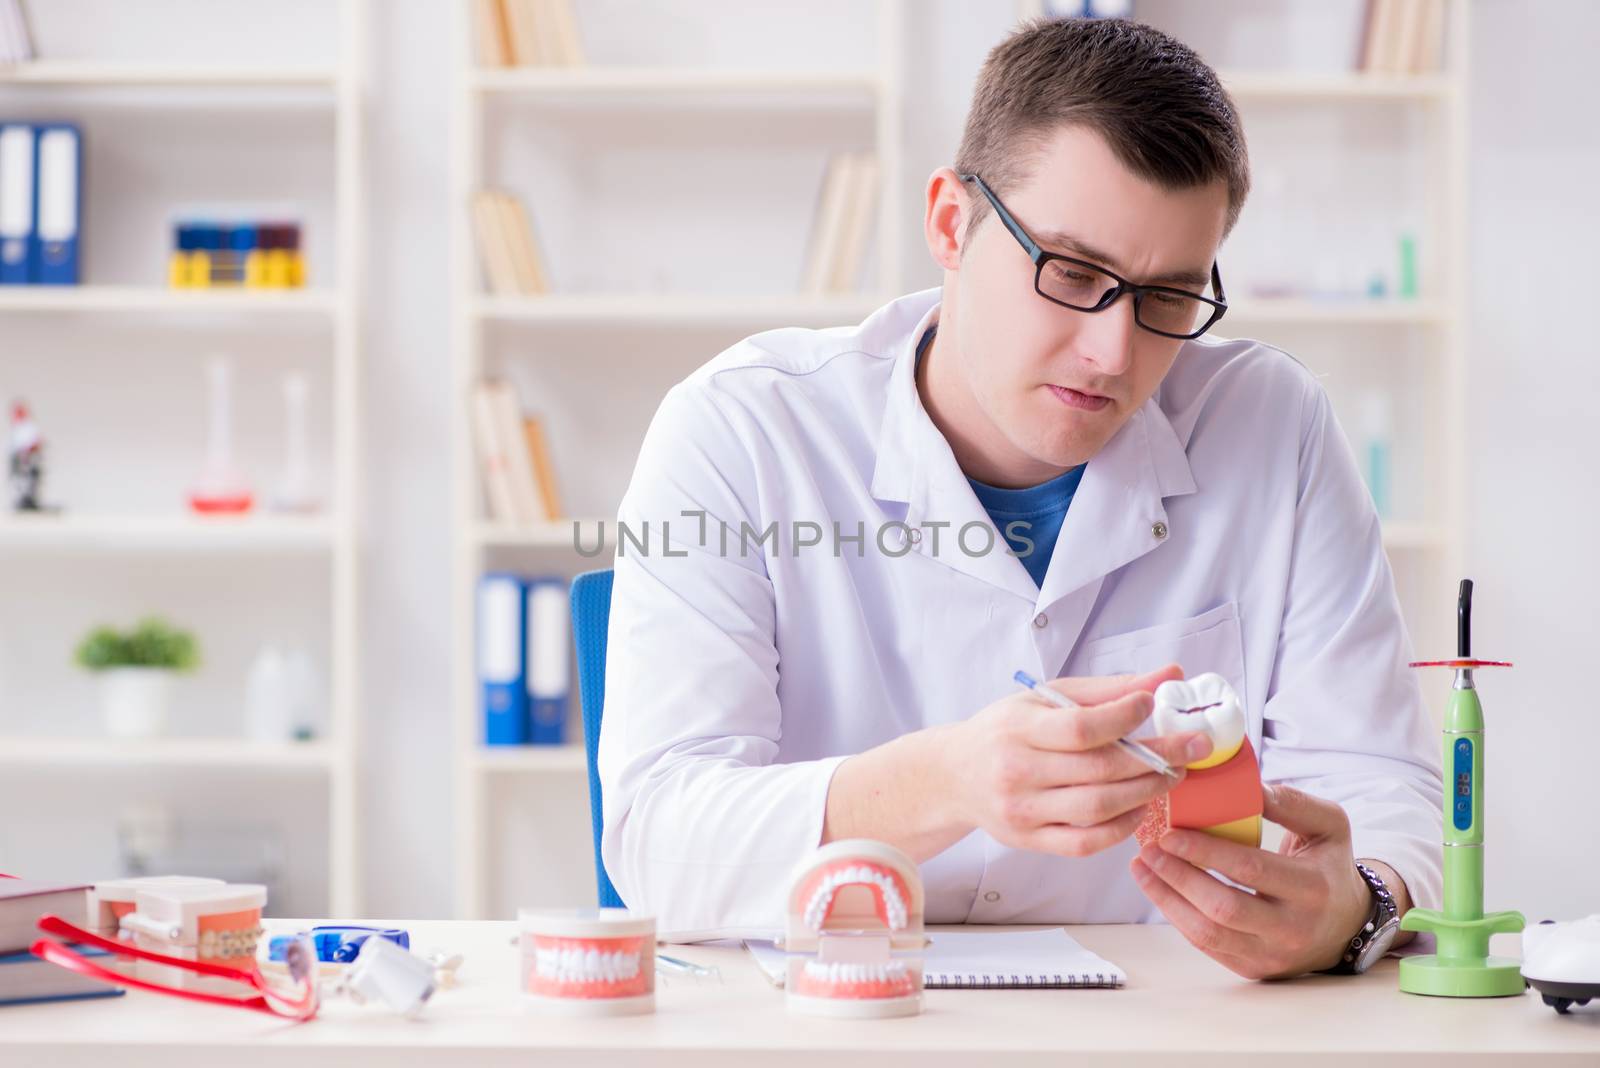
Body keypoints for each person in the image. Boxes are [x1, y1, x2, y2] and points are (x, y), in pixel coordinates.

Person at [597, 16, 1441, 979]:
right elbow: (657, 841)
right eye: (1073, 273)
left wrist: (1359, 900)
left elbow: (1384, 785)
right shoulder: (743, 430)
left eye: (1167, 296)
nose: (1113, 353)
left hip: (1165, 1028)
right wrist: (945, 780)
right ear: (951, 224)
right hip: (837, 1018)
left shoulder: (1273, 426)